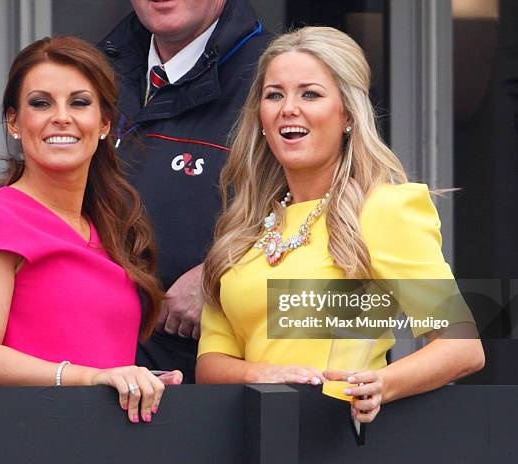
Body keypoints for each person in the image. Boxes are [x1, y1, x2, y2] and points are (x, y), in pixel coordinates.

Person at [196, 27, 485, 422]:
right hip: (241, 437)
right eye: (274, 94)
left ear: (347, 114)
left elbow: (460, 346)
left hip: (335, 438)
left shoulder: (384, 209)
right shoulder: (241, 229)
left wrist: (382, 384)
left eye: (310, 94)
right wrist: (263, 375)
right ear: (260, 116)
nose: (288, 108)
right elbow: (211, 364)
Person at [0, 36, 181, 424]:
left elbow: (98, 355)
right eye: (41, 103)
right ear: (15, 122)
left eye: (79, 102)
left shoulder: (110, 227)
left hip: (110, 441)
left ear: (103, 124)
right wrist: (92, 378)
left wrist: (139, 383)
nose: (61, 116)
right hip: (27, 438)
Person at [98, 0, 271, 383]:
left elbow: (334, 224)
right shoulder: (93, 73)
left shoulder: (278, 76)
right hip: (101, 375)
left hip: (223, 394)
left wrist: (221, 272)